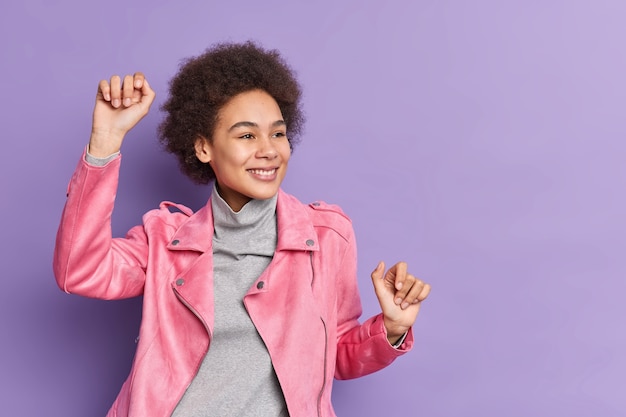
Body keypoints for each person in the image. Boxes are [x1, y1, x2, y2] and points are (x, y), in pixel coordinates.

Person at [53, 41, 431, 417]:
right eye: (247, 135)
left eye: (278, 133)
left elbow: (336, 356)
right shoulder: (164, 239)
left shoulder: (329, 236)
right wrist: (105, 143)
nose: (269, 150)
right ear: (204, 148)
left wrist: (391, 329)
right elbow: (79, 270)